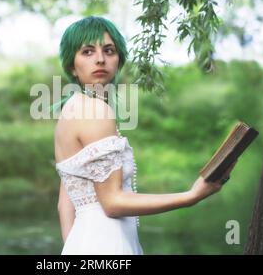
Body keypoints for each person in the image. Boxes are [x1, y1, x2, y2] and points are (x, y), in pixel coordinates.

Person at [54, 16, 235, 255]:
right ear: (71, 66)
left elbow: (64, 204)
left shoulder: (70, 109)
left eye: (109, 50)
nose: (100, 59)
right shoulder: (95, 110)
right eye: (87, 52)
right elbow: (112, 203)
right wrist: (191, 196)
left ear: (118, 61)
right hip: (107, 244)